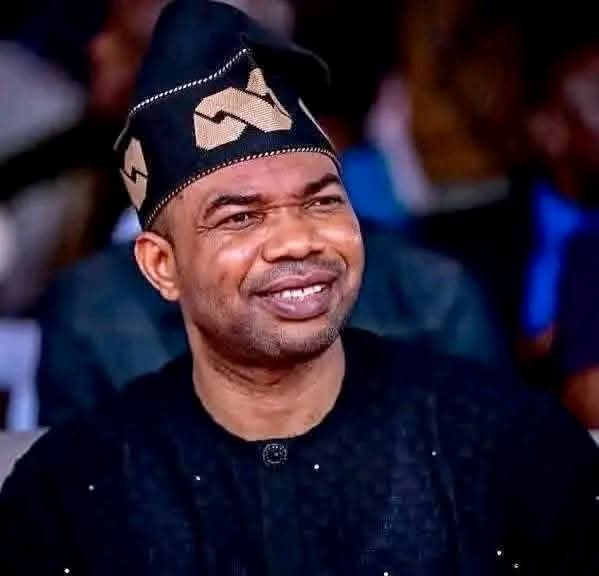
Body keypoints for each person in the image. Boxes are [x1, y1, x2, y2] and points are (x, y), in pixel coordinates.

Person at [1, 2, 598, 574]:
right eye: (241, 216)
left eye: (321, 202)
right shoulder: (72, 491)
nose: (296, 240)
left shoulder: (509, 447)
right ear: (162, 265)